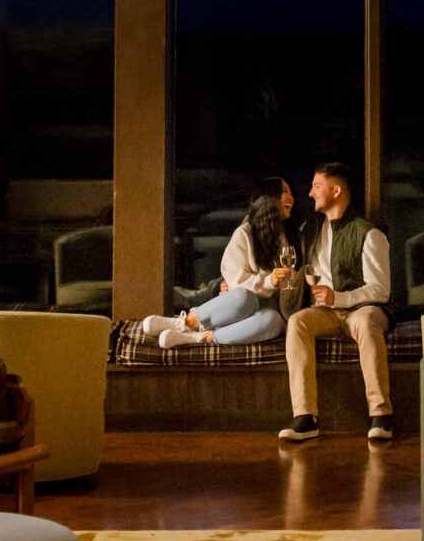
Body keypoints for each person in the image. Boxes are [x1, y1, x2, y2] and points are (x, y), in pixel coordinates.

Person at [279, 163, 394, 446]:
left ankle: (381, 415)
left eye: (317, 186)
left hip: (363, 308)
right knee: (298, 322)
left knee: (366, 323)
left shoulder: (368, 232)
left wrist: (338, 298)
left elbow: (381, 290)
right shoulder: (312, 232)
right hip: (327, 312)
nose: (310, 192)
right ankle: (305, 418)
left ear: (336, 190)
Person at [140, 177, 299, 348]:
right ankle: (184, 323)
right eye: (285, 191)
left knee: (274, 321)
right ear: (269, 198)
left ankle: (199, 338)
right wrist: (270, 281)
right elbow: (237, 284)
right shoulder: (245, 235)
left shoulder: (290, 237)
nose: (292, 198)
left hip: (267, 311)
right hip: (242, 306)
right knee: (244, 297)